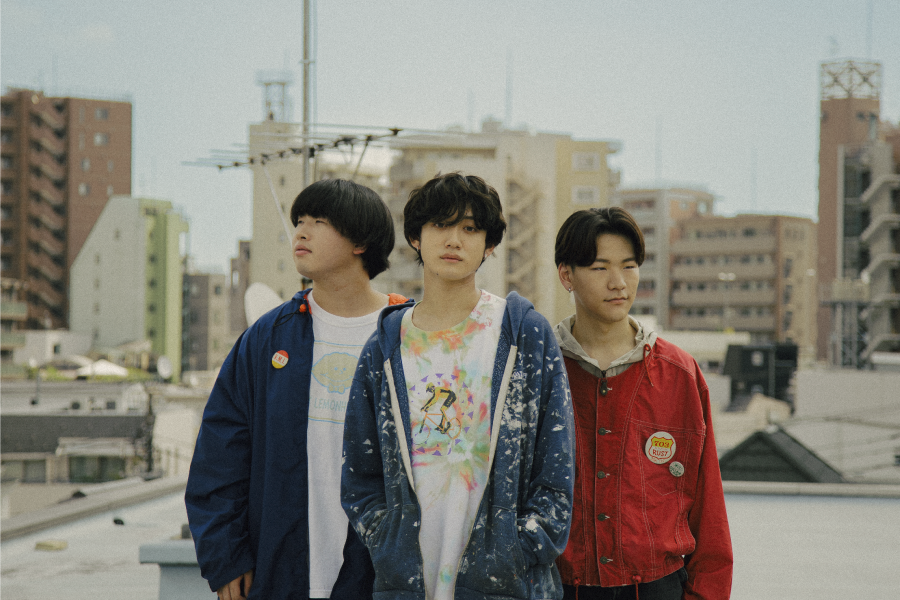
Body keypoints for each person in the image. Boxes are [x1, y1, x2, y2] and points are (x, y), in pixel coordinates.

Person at [341, 172, 575, 600]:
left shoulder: (523, 334)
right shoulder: (384, 347)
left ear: (489, 244)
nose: (454, 240)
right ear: (416, 236)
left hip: (505, 584)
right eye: (441, 225)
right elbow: (360, 474)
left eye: (470, 228)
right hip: (407, 583)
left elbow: (556, 465)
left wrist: (519, 549)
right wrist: (386, 543)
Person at [186, 179, 408, 600]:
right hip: (279, 570)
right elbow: (221, 453)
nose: (301, 232)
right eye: (299, 221)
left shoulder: (408, 334)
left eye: (318, 222)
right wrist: (227, 557)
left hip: (387, 574)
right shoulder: (269, 336)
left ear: (361, 242)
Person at [553, 207, 733, 600]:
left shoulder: (679, 374)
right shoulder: (540, 370)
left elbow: (709, 508)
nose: (618, 282)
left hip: (659, 587)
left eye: (629, 266)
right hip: (558, 587)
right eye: (600, 268)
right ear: (567, 275)